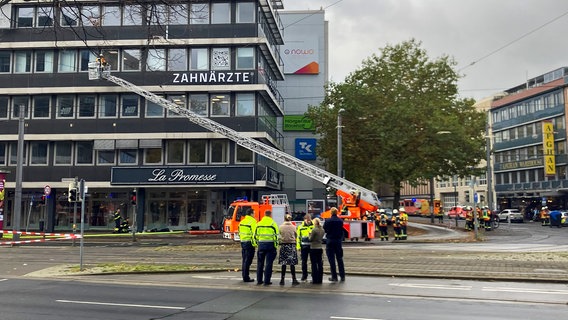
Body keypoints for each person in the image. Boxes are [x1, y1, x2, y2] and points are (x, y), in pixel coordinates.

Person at [254, 210, 279, 286]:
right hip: (270, 245)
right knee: (268, 264)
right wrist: (275, 246)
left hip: (261, 245)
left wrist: (257, 244)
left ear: (264, 215)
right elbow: (276, 236)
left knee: (260, 263)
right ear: (270, 215)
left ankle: (259, 280)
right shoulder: (273, 224)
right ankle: (267, 281)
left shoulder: (259, 224)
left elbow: (255, 236)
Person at [323, 207, 345, 282]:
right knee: (340, 259)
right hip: (338, 241)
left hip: (330, 240)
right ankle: (342, 276)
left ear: (331, 213)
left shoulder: (328, 221)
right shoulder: (340, 221)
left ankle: (334, 276)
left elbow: (325, 230)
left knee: (331, 259)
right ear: (337, 212)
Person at [278, 214, 299, 285]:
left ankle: (282, 279)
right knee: (292, 263)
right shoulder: (293, 227)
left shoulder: (280, 227)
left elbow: (280, 234)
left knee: (283, 264)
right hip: (291, 245)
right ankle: (294, 279)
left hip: (283, 245)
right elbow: (296, 235)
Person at [238, 208, 257, 283]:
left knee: (244, 259)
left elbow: (239, 231)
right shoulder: (253, 222)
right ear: (251, 213)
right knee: (248, 260)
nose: (254, 214)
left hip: (243, 242)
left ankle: (244, 275)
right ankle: (246, 277)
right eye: (254, 213)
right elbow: (254, 234)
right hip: (249, 243)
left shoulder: (242, 221)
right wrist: (255, 243)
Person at [296, 213, 314, 281]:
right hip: (304, 246)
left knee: (313, 261)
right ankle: (304, 275)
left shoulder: (313, 226)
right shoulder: (301, 227)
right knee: (304, 262)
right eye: (307, 220)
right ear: (304, 220)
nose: (308, 222)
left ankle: (313, 274)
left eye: (309, 220)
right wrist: (298, 247)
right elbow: (298, 237)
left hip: (312, 246)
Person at [309, 217, 325, 284]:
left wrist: (309, 235)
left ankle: (315, 279)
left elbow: (311, 239)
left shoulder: (314, 230)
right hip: (320, 247)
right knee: (320, 264)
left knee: (314, 264)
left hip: (314, 248)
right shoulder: (322, 230)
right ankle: (320, 279)